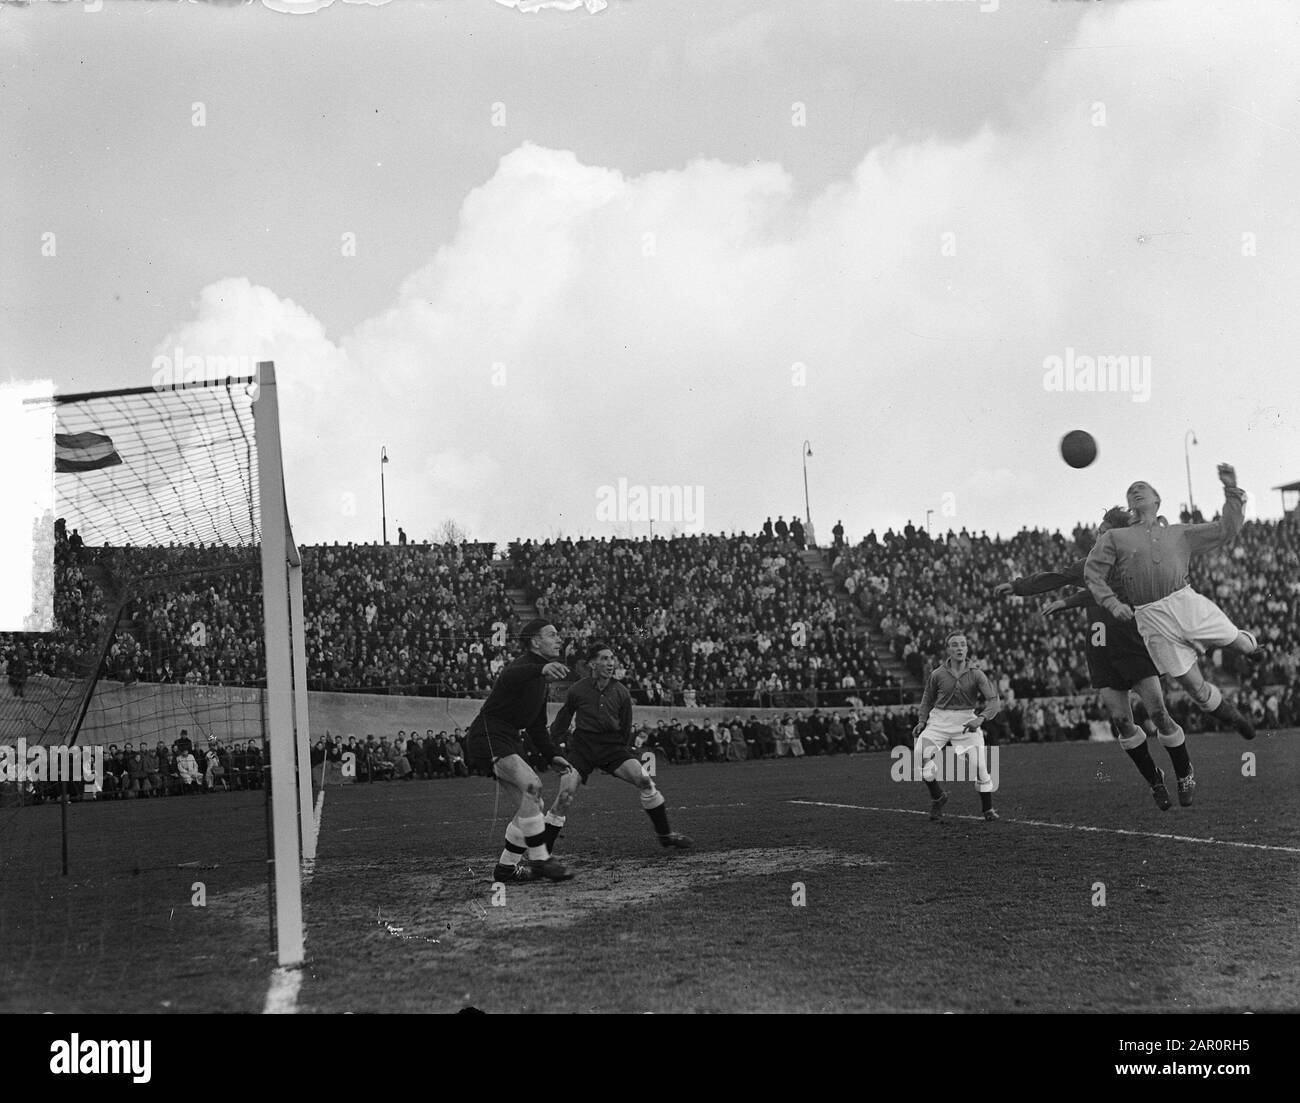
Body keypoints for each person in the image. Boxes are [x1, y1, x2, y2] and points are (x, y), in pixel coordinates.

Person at [996, 506, 1192, 810]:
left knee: (1158, 714)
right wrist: (1019, 586)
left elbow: (1105, 592)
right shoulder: (1088, 564)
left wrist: (1068, 601)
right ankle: (1155, 779)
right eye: (1098, 531)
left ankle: (1185, 773)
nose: (1097, 535)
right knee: (1120, 721)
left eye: (1103, 531)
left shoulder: (1131, 563)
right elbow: (1056, 577)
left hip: (1133, 646)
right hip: (1101, 653)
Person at [1085, 466, 1261, 746]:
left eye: (1143, 486)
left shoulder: (1180, 533)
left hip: (1184, 602)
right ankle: (1234, 718)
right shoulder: (1114, 538)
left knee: (1238, 644)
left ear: (1157, 500)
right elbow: (1092, 573)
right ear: (1130, 505)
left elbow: (1225, 530)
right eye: (1132, 490)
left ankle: (1253, 650)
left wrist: (1231, 489)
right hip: (1150, 618)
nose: (1136, 490)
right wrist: (1112, 603)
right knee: (1194, 687)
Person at [542, 641, 691, 855]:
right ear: (592, 664)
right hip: (583, 748)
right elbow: (563, 719)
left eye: (612, 658)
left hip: (612, 747)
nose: (610, 663)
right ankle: (542, 856)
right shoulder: (577, 689)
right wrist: (554, 748)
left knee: (645, 780)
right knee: (565, 795)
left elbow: (624, 726)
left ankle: (665, 836)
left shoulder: (621, 691)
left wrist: (618, 753)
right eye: (604, 658)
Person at [464, 619, 574, 883]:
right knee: (532, 786)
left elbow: (536, 727)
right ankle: (540, 859)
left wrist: (552, 754)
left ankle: (506, 868)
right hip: (488, 736)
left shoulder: (540, 682)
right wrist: (541, 667)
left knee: (533, 804)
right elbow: (511, 675)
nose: (559, 639)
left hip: (508, 739)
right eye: (552, 635)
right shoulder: (522, 666)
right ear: (535, 642)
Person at [912, 631, 1000, 822]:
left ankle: (988, 809)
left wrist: (981, 718)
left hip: (966, 721)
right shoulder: (937, 674)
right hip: (939, 721)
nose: (959, 647)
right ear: (948, 650)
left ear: (967, 648)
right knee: (920, 754)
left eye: (962, 644)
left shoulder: (976, 674)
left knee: (980, 766)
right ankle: (938, 797)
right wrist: (921, 721)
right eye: (954, 644)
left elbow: (994, 701)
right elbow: (927, 699)